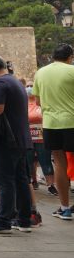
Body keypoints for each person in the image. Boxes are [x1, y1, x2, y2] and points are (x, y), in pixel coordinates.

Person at [0, 56, 33, 233]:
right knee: (20, 179)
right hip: (20, 138)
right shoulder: (14, 81)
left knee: (5, 180)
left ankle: (3, 221)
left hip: (6, 140)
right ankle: (24, 219)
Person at [32, 43, 74, 220]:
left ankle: (64, 207)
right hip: (72, 120)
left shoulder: (40, 73)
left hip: (50, 124)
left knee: (59, 163)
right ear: (70, 57)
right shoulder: (72, 71)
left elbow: (39, 102)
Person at [27, 83, 55, 196]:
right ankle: (30, 183)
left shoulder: (42, 102)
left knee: (45, 161)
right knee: (28, 162)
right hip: (28, 138)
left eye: (31, 85)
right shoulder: (21, 103)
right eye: (27, 86)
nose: (29, 88)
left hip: (41, 138)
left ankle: (51, 185)